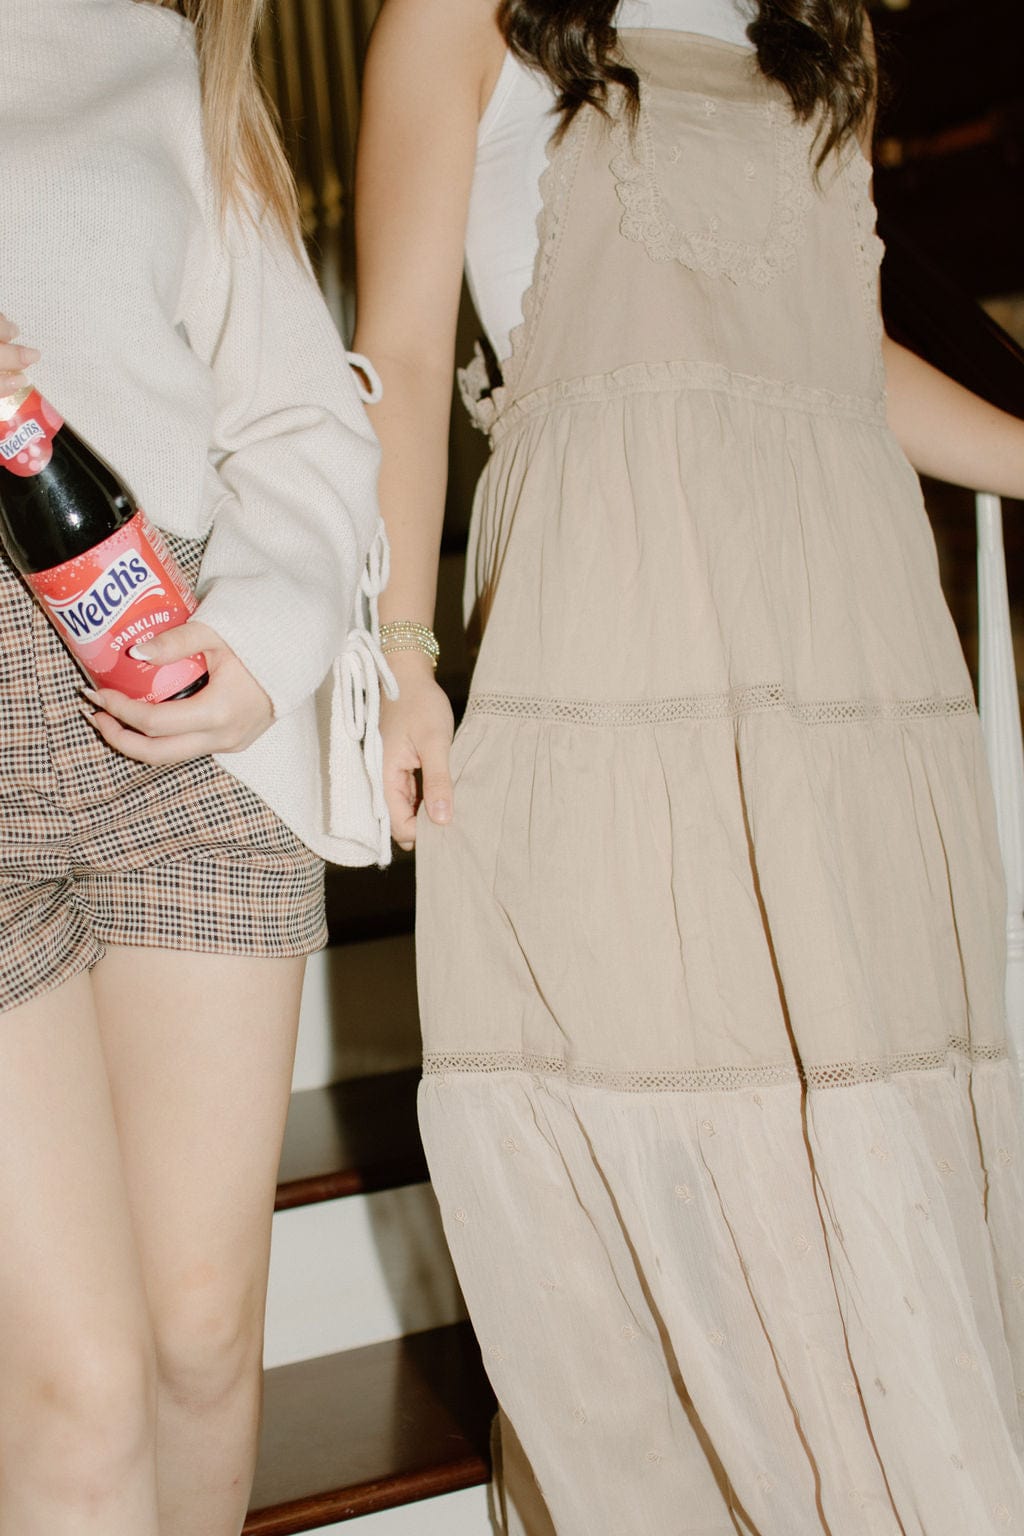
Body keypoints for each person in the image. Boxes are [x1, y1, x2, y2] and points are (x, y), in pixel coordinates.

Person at [354, 0, 1024, 1529]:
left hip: (846, 647)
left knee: (866, 1145)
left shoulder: (819, 31)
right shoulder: (456, 14)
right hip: (616, 639)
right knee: (667, 1127)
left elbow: (837, 355)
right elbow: (398, 347)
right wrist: (399, 653)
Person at [0, 0, 390, 1531]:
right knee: (78, 1392)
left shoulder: (171, 59)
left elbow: (301, 418)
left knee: (204, 1341)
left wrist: (269, 641)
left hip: (177, 693)